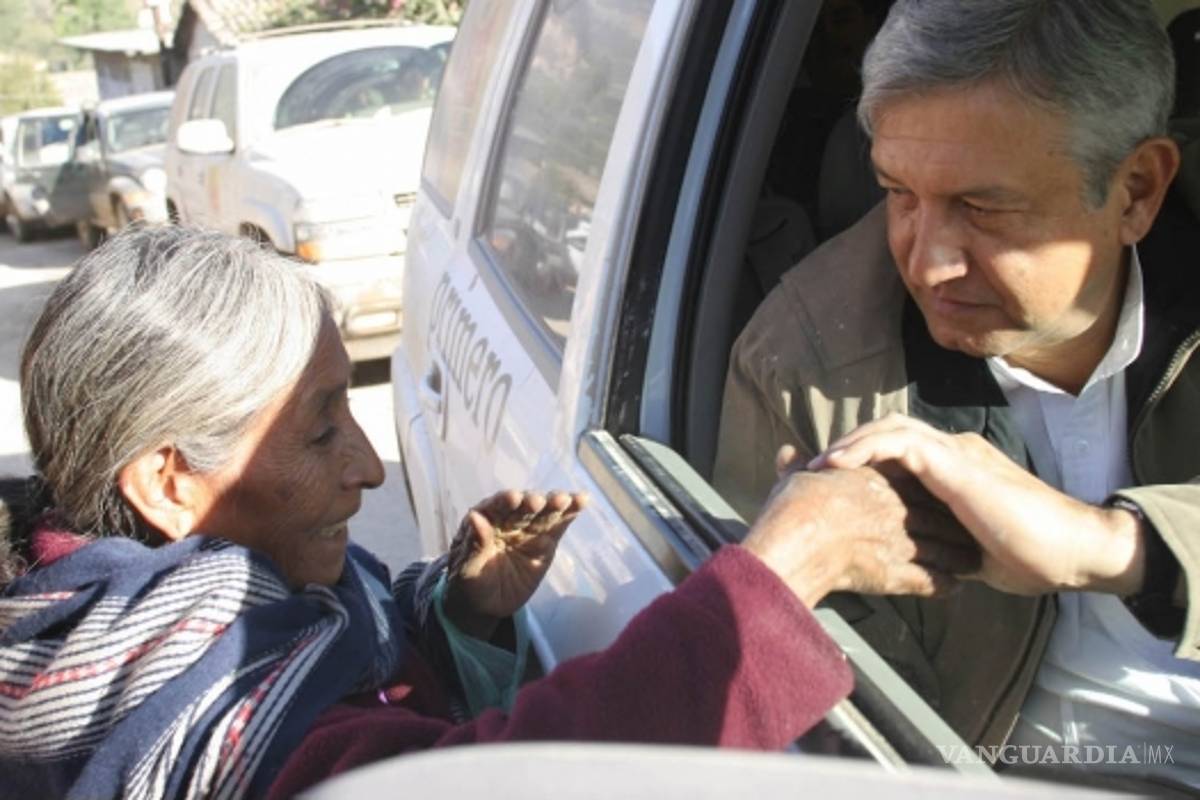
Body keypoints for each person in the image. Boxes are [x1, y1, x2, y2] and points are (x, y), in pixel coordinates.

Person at [0, 226, 964, 800]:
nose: (371, 470)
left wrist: (452, 614)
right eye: (322, 430)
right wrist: (779, 577)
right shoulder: (214, 724)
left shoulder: (106, 619)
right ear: (169, 485)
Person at [714, 0, 1200, 790]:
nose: (929, 263)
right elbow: (822, 697)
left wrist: (1115, 547)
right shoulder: (808, 366)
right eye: (898, 193)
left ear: (1137, 190)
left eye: (983, 207)